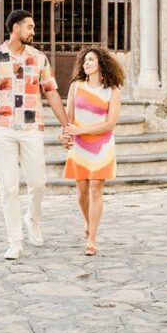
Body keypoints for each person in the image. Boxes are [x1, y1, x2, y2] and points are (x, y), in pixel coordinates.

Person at [0, 9, 71, 260]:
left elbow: (51, 93)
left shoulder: (39, 58)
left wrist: (65, 124)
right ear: (16, 28)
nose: (33, 32)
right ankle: (15, 240)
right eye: (30, 27)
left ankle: (33, 219)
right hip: (2, 128)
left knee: (38, 183)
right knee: (8, 187)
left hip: (30, 129)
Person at [62, 46, 124, 256]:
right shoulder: (76, 87)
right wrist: (66, 134)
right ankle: (89, 223)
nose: (86, 63)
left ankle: (92, 238)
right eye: (85, 60)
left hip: (102, 146)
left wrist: (82, 130)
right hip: (79, 146)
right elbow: (68, 119)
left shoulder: (113, 91)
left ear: (101, 64)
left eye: (91, 60)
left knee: (96, 188)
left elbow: (110, 124)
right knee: (81, 192)